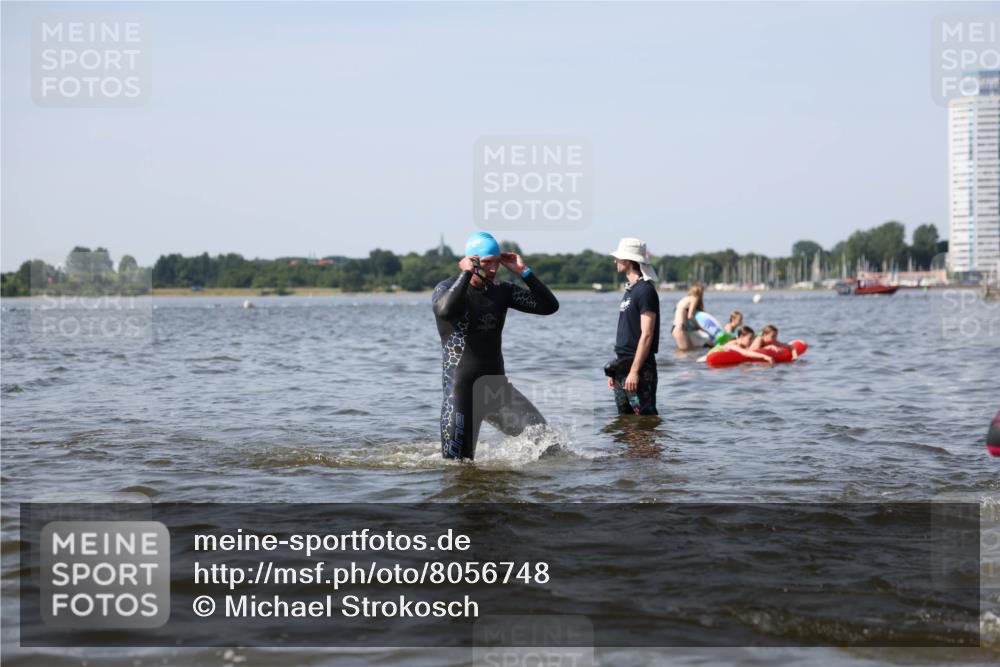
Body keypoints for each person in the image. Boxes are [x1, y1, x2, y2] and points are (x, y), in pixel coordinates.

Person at [432, 232, 559, 460]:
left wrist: (524, 272)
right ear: (472, 260)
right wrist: (465, 273)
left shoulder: (502, 291)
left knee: (548, 445)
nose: (493, 269)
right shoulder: (447, 288)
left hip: (496, 392)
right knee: (457, 468)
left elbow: (548, 306)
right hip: (461, 395)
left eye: (497, 262)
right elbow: (445, 311)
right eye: (487, 262)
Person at [608, 238, 660, 415]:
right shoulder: (631, 290)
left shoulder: (645, 291)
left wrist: (634, 371)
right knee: (625, 422)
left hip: (639, 367)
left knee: (644, 419)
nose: (615, 261)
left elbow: (647, 334)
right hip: (623, 366)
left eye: (619, 258)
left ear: (629, 261)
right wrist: (616, 371)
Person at [672, 284, 704, 350]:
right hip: (680, 329)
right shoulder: (694, 299)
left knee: (689, 352)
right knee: (685, 354)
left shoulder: (685, 299)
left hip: (676, 328)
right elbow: (690, 316)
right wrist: (699, 327)